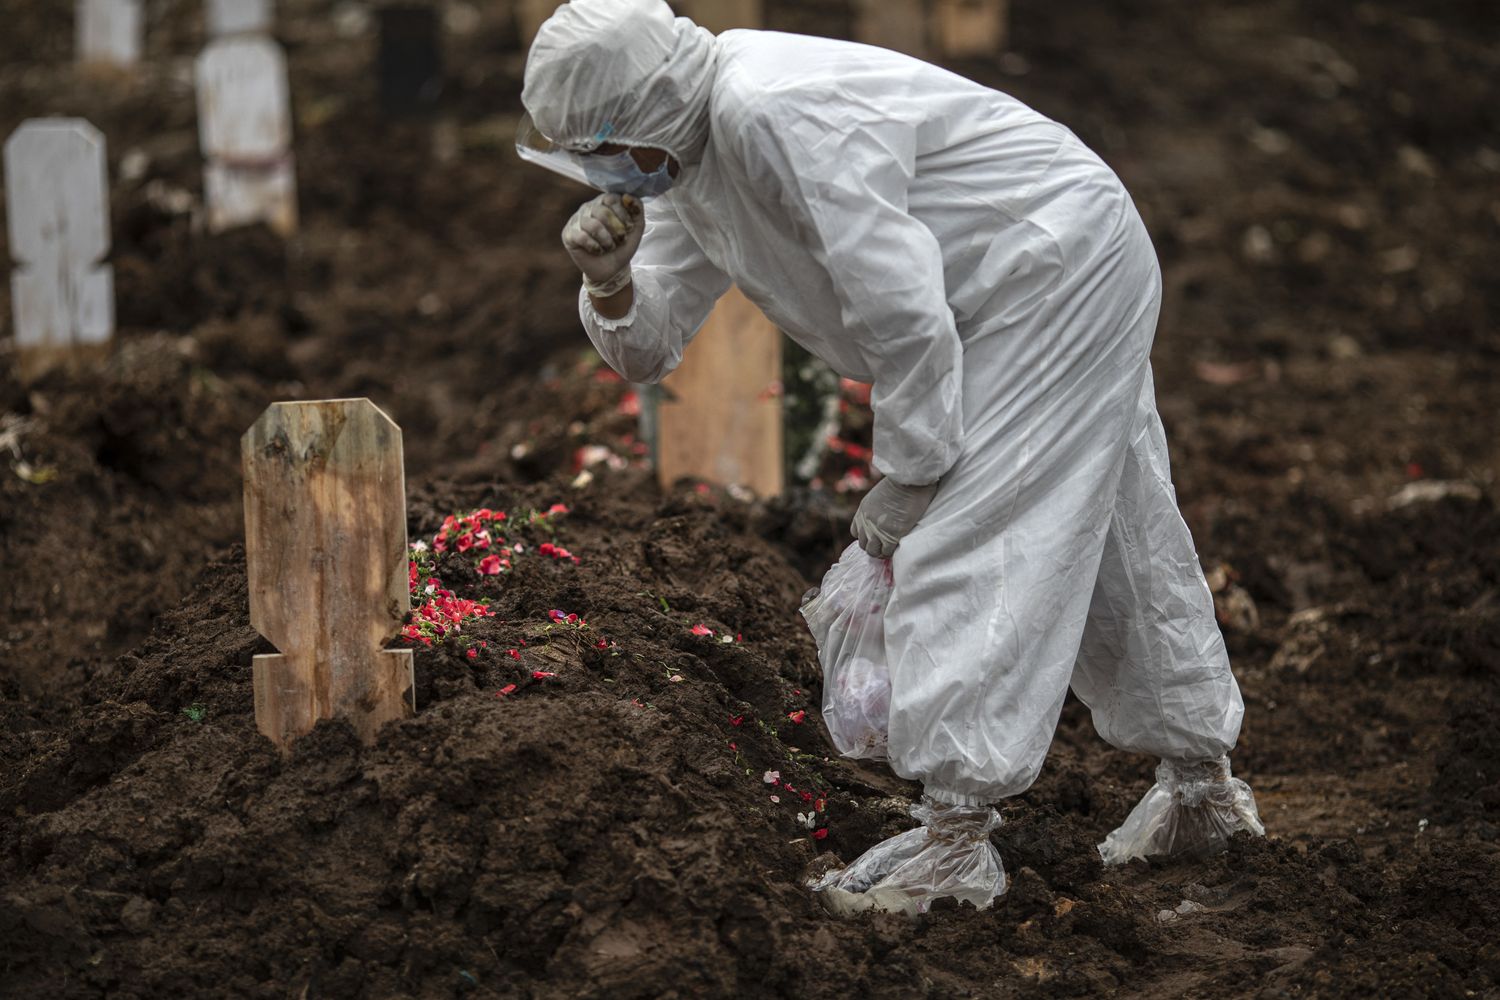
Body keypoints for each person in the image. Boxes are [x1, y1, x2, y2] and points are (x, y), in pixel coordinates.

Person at [518, 0, 1264, 913]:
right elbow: (652, 347)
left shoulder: (768, 110)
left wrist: (912, 471)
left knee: (967, 533)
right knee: (1113, 523)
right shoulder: (688, 158)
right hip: (1001, 295)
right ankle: (1202, 788)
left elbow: (902, 305)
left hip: (1049, 266)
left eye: (593, 145)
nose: (594, 172)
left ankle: (954, 840)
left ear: (637, 112)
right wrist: (611, 282)